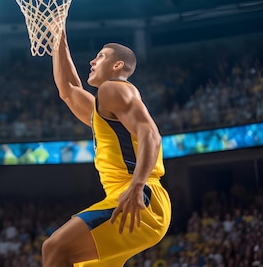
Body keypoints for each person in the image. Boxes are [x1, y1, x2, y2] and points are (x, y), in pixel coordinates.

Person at [41, 31, 171, 266]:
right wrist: (58, 33)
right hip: (129, 198)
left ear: (117, 65)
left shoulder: (114, 88)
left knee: (55, 248)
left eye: (100, 56)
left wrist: (137, 185)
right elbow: (68, 89)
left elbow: (151, 134)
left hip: (140, 197)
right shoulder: (103, 108)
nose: (92, 61)